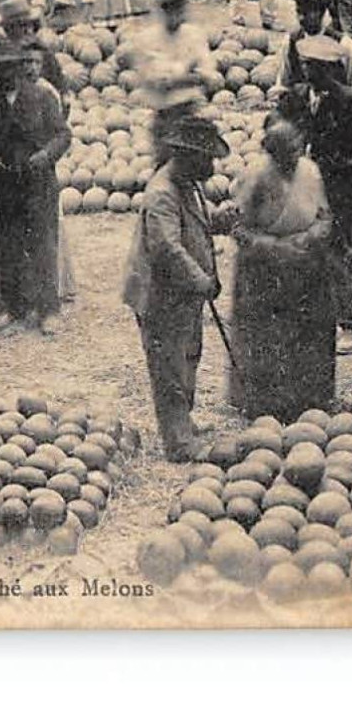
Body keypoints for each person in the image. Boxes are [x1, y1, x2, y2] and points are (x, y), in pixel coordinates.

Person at [121, 115, 229, 461]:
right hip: (161, 296)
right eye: (207, 158)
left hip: (184, 295)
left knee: (188, 356)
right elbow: (167, 248)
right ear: (187, 156)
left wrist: (226, 220)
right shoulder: (162, 193)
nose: (212, 165)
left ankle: (184, 422)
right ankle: (178, 442)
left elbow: (197, 224)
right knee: (169, 366)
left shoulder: (189, 183)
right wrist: (201, 280)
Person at [223, 117, 337, 418]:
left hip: (305, 260)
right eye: (284, 153)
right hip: (265, 267)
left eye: (296, 150)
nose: (292, 158)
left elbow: (325, 216)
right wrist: (272, 246)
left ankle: (311, 399)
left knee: (310, 332)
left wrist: (310, 236)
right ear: (270, 152)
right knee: (265, 336)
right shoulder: (255, 175)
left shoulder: (311, 172)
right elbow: (237, 227)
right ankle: (264, 404)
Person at [0, 45, 71, 335]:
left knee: (42, 245)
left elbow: (62, 134)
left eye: (12, 67)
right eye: (1, 69)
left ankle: (48, 309)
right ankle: (13, 308)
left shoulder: (41, 98)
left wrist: (46, 155)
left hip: (38, 184)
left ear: (21, 67)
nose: (7, 74)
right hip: (3, 187)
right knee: (9, 247)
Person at [282, 35, 352, 354]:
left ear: (328, 69)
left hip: (339, 188)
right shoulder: (299, 95)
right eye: (304, 64)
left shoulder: (349, 99)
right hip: (305, 184)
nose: (304, 70)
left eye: (311, 66)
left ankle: (351, 323)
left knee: (340, 251)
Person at [134, 0, 218, 157]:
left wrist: (177, 79)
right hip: (164, 115)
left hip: (190, 112)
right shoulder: (147, 39)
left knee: (192, 163)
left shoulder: (194, 35)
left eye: (180, 9)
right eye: (171, 10)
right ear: (162, 12)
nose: (176, 15)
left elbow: (210, 77)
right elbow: (154, 81)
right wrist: (190, 76)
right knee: (164, 163)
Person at [280, 0, 352, 91]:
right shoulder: (290, 41)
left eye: (307, 13)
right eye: (298, 12)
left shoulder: (344, 45)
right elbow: (283, 83)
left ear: (321, 13)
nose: (301, 18)